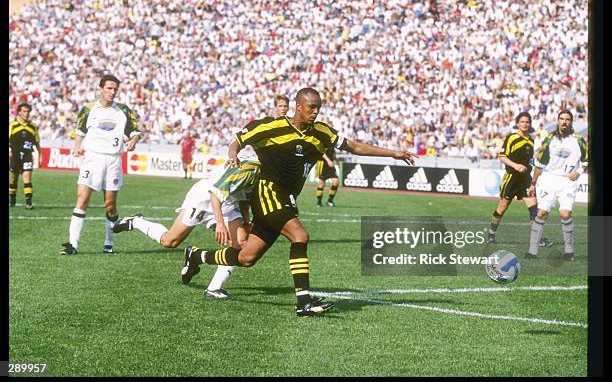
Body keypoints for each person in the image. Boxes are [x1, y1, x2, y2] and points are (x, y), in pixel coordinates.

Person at [180, 87, 416, 316]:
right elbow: (238, 139)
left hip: (287, 198)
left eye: (318, 108)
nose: (315, 112)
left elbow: (353, 146)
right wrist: (232, 154)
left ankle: (196, 256)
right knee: (300, 236)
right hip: (267, 192)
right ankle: (303, 300)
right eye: (311, 108)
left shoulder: (322, 133)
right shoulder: (272, 126)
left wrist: (393, 153)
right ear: (299, 106)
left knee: (246, 257)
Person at [113, 157, 259, 299]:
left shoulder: (270, 173)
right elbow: (215, 193)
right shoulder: (254, 168)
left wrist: (246, 220)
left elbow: (246, 197)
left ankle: (214, 288)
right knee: (170, 241)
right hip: (205, 196)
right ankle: (136, 221)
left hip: (228, 202)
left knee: (240, 244)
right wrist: (220, 224)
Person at [61, 74, 141, 255]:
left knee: (110, 205)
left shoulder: (123, 111)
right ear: (101, 89)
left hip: (113, 160)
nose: (112, 92)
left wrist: (134, 140)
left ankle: (108, 243)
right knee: (82, 199)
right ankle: (73, 245)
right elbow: (79, 131)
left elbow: (136, 131)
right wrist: (77, 147)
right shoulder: (88, 109)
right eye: (109, 88)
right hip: (93, 158)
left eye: (115, 89)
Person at [526, 110, 587, 261]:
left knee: (565, 214)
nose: (564, 122)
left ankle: (569, 251)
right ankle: (532, 252)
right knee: (541, 213)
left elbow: (587, 159)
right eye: (561, 119)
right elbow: (539, 164)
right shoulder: (549, 139)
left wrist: (579, 171)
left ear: (571, 122)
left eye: (567, 119)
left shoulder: (579, 140)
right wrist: (533, 183)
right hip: (549, 179)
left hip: (568, 181)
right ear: (557, 121)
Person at [487, 112, 552, 247]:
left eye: (527, 122)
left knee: (534, 209)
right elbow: (502, 156)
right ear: (517, 123)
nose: (525, 124)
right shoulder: (512, 138)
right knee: (502, 208)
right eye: (522, 121)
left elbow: (529, 161)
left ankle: (537, 239)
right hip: (511, 178)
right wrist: (516, 166)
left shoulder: (531, 140)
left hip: (525, 180)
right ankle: (491, 234)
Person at [9, 102, 40, 209]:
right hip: (15, 156)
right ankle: (12, 200)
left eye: (28, 111)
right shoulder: (12, 125)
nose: (26, 114)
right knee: (13, 180)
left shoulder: (33, 127)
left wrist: (40, 157)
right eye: (24, 111)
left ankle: (28, 202)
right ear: (19, 112)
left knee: (27, 178)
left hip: (27, 156)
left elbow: (37, 143)